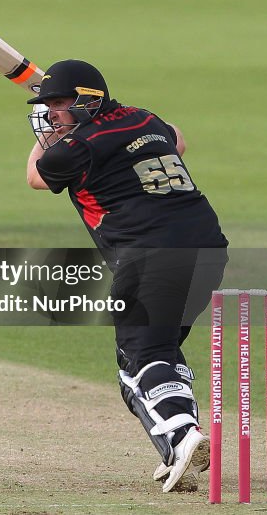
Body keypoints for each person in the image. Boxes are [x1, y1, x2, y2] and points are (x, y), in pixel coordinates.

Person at [25, 59, 228, 494]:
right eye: (47, 106)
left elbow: (35, 178)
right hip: (208, 249)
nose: (52, 114)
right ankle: (175, 449)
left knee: (146, 354)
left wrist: (48, 137)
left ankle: (182, 432)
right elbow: (180, 138)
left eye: (59, 104)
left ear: (88, 100)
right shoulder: (145, 118)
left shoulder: (77, 148)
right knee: (142, 356)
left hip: (150, 257)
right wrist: (71, 120)